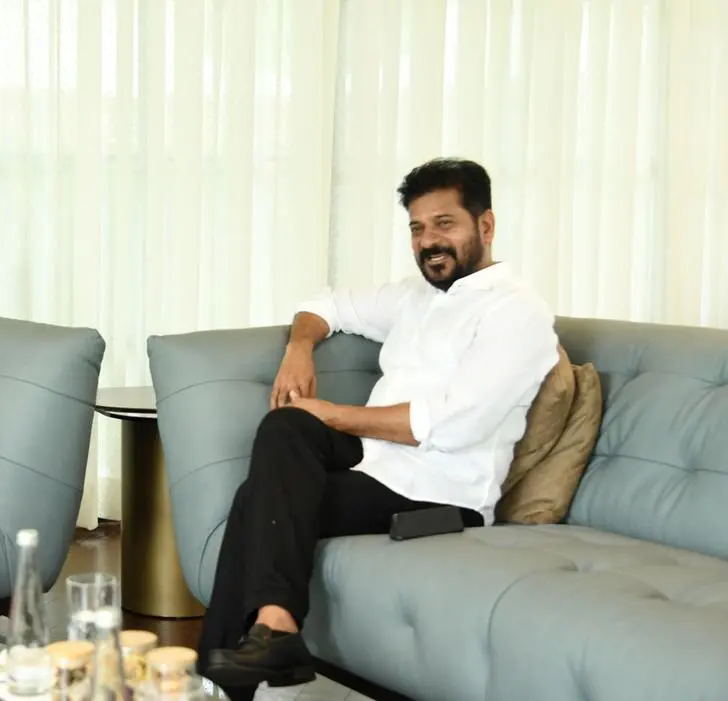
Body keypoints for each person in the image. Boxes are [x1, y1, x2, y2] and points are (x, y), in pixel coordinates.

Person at [200, 158, 560, 698]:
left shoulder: (517, 314)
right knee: (285, 428)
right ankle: (274, 631)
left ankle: (228, 672)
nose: (428, 241)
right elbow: (326, 304)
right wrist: (300, 347)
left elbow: (451, 424)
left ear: (485, 226)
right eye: (417, 228)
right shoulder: (415, 297)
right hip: (378, 462)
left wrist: (330, 413)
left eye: (444, 223)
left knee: (257, 499)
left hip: (441, 492)